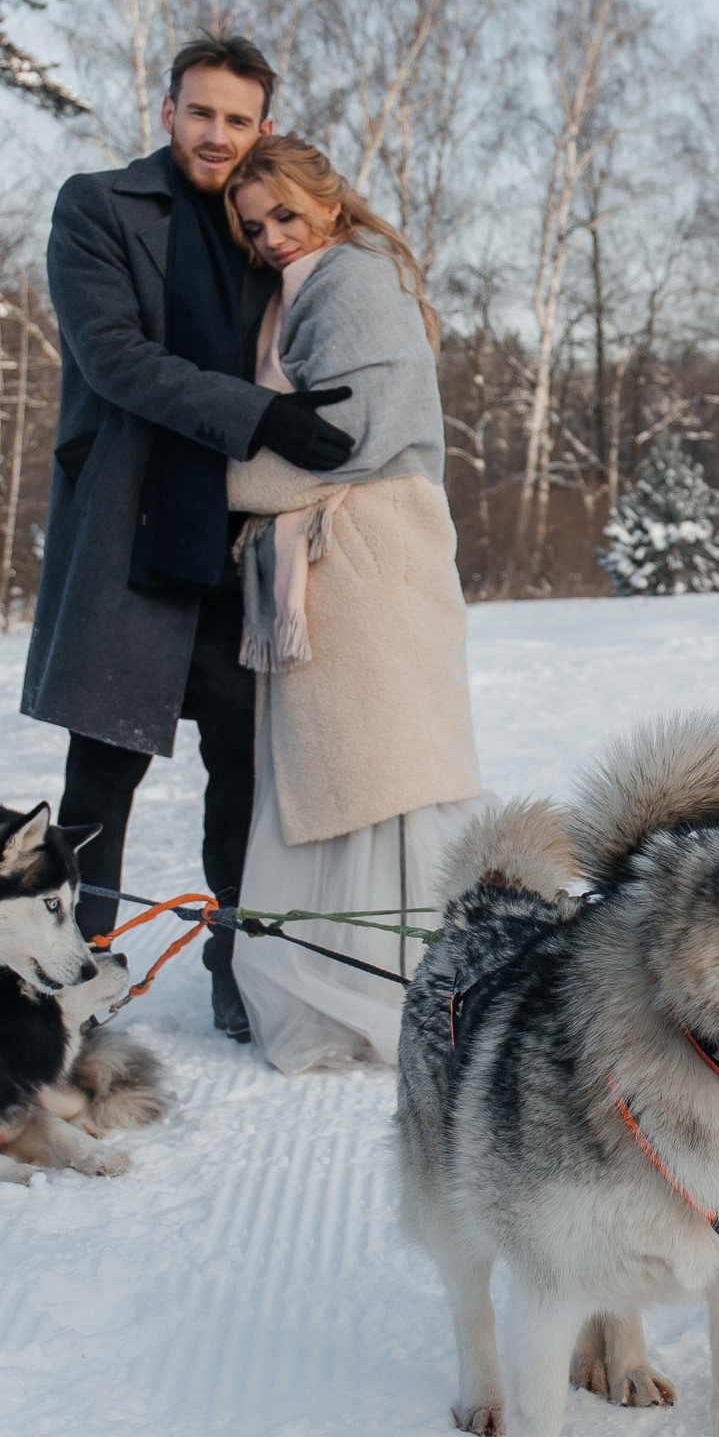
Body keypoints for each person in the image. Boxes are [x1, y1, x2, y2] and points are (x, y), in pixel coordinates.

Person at [21, 36, 359, 1038]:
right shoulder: (99, 207)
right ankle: (69, 981)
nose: (218, 135)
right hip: (133, 530)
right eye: (202, 113)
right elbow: (116, 358)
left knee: (245, 776)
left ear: (264, 127)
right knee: (100, 778)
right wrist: (259, 419)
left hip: (241, 540)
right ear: (166, 109)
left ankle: (238, 968)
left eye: (239, 119)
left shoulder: (270, 223)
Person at [220, 135, 483, 1073]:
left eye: (287, 215)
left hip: (369, 550)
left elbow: (353, 435)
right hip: (339, 552)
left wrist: (219, 481)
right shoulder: (311, 282)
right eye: (255, 228)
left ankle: (383, 988)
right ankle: (356, 984)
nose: (274, 238)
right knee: (350, 773)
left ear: (329, 201)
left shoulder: (357, 279)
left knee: (381, 775)